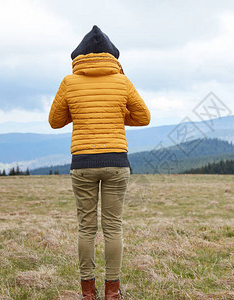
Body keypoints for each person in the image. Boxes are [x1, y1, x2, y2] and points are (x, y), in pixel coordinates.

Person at [49, 25, 150, 300]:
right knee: (113, 227)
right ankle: (113, 292)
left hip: (82, 163)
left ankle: (87, 292)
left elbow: (55, 121)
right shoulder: (122, 81)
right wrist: (116, 115)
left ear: (79, 56)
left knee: (86, 227)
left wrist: (81, 114)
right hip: (117, 161)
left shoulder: (69, 82)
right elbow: (143, 117)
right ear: (112, 56)